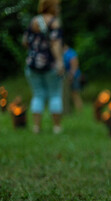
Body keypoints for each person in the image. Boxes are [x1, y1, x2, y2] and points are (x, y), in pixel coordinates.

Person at [22, 0, 64, 134]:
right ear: (52, 6)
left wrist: (36, 50)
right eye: (57, 5)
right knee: (55, 94)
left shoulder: (34, 21)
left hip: (33, 63)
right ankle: (57, 127)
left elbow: (25, 41)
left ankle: (36, 127)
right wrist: (60, 62)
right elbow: (55, 44)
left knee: (38, 95)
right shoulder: (54, 22)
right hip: (50, 63)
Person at [63, 42, 83, 112]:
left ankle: (79, 110)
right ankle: (68, 110)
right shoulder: (62, 53)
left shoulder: (71, 53)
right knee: (66, 95)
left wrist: (71, 76)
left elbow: (75, 66)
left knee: (75, 94)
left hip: (74, 76)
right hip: (65, 76)